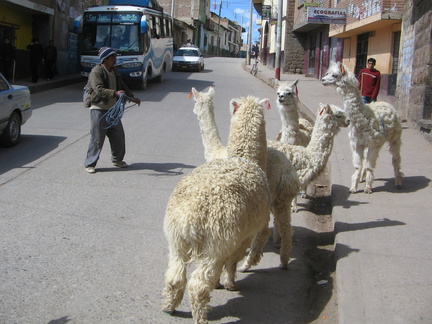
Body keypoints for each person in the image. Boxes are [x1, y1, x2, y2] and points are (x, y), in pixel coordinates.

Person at [84, 47, 141, 174]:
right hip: (99, 109)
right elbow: (98, 89)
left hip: (112, 110)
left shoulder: (114, 71)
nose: (115, 60)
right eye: (113, 58)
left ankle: (117, 160)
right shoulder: (96, 71)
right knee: (97, 138)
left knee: (118, 136)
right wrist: (115, 93)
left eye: (115, 57)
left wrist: (132, 98)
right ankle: (90, 164)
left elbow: (122, 86)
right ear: (106, 59)